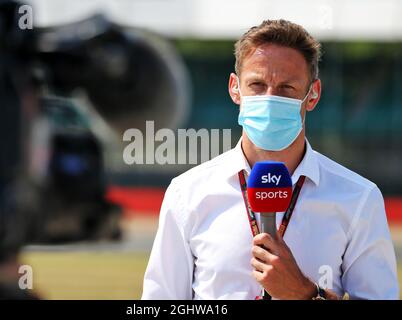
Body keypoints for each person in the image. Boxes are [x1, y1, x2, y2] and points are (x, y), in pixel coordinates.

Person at [141, 19, 399, 300]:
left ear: (312, 95)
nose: (269, 97)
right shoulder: (187, 194)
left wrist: (304, 294)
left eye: (286, 87)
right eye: (257, 84)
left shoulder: (358, 198)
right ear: (234, 88)